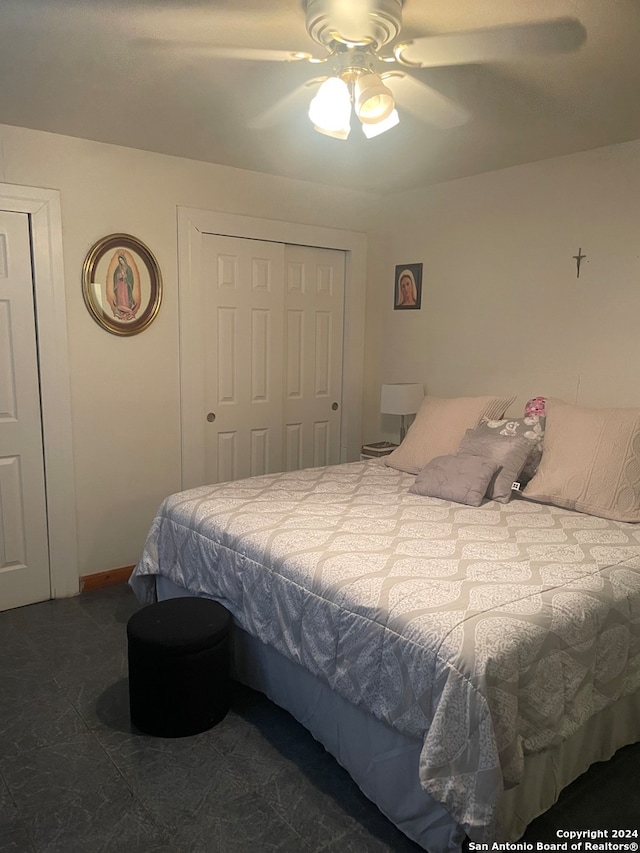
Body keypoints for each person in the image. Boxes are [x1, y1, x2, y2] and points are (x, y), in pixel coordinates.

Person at [109, 252, 139, 321]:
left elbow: (131, 278)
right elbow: (115, 276)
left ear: (124, 260)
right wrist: (119, 276)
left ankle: (126, 308)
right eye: (119, 261)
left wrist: (126, 278)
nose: (121, 262)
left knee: (125, 297)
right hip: (119, 285)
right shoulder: (118, 268)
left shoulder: (128, 268)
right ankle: (122, 309)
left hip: (125, 285)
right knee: (120, 297)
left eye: (121, 260)